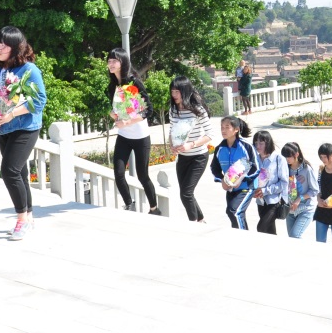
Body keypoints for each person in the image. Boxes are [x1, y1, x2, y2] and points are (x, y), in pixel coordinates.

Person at [0, 26, 48, 242]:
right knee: (20, 173)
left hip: (25, 127)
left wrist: (12, 114)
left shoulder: (29, 70)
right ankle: (29, 217)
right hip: (3, 129)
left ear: (16, 48)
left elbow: (39, 101)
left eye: (3, 45)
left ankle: (21, 220)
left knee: (9, 171)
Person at [106, 48, 159, 214]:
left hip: (140, 136)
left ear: (123, 62)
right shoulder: (112, 86)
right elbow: (116, 110)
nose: (111, 64)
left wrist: (128, 121)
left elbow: (148, 109)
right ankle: (129, 204)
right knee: (118, 173)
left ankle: (154, 209)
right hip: (124, 135)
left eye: (114, 61)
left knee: (143, 175)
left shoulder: (133, 82)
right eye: (109, 61)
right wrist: (113, 115)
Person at [169, 76, 214, 222]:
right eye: (172, 91)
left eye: (177, 92)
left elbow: (210, 134)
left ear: (185, 91)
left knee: (186, 193)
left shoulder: (198, 110)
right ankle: (201, 220)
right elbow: (171, 130)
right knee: (186, 193)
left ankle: (193, 225)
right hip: (182, 157)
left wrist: (191, 144)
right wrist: (172, 145)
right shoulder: (173, 110)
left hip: (198, 157)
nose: (174, 95)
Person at [210, 116, 259, 229]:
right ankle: (239, 234)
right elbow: (214, 167)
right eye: (222, 127)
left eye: (227, 127)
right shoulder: (220, 148)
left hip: (247, 186)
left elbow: (255, 168)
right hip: (230, 188)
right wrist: (222, 180)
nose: (223, 130)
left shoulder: (246, 147)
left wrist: (242, 179)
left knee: (234, 211)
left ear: (236, 129)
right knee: (232, 213)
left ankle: (242, 237)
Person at [252, 130, 288, 235]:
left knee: (261, 228)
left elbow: (284, 183)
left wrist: (265, 191)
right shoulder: (255, 159)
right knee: (269, 231)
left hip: (274, 201)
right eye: (256, 143)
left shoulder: (278, 159)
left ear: (268, 143)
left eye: (261, 143)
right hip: (260, 201)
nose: (258, 146)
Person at [284, 142, 319, 238]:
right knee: (292, 238)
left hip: (305, 209)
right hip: (290, 209)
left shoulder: (307, 169)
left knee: (295, 235)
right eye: (285, 156)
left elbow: (315, 190)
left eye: (288, 156)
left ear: (296, 154)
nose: (286, 159)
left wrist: (299, 199)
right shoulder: (285, 168)